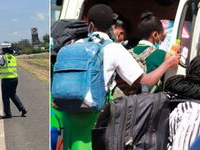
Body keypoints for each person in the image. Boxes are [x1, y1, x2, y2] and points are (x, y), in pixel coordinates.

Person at [61, 4, 180, 150]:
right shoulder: (114, 48)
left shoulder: (76, 44)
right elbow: (146, 80)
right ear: (111, 26)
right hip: (92, 116)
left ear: (90, 25)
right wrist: (167, 63)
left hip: (67, 112)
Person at [0, 47, 27, 119]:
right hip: (15, 79)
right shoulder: (13, 57)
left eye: (2, 50)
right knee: (13, 95)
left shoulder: (3, 58)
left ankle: (8, 114)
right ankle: (22, 109)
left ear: (5, 51)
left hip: (7, 80)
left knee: (5, 97)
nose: (2, 51)